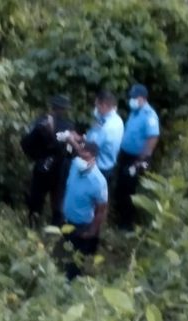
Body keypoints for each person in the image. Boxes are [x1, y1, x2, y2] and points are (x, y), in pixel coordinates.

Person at [20, 95, 75, 228]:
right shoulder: (65, 125)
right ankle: (51, 226)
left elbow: (25, 144)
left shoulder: (43, 122)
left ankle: (37, 224)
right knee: (53, 200)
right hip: (55, 167)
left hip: (47, 166)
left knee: (42, 199)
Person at [58, 141, 108, 280]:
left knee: (76, 259)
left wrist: (91, 231)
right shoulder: (74, 165)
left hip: (82, 225)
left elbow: (101, 210)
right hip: (68, 219)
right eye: (81, 155)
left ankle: (72, 282)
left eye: (86, 157)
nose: (81, 159)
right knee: (66, 251)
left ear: (93, 158)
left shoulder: (98, 182)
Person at [115, 83, 160, 231]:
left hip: (137, 158)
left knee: (130, 190)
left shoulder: (150, 115)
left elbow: (153, 137)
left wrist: (143, 158)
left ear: (143, 98)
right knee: (121, 187)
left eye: (135, 98)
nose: (132, 100)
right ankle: (120, 219)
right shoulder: (134, 113)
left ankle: (127, 224)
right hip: (125, 156)